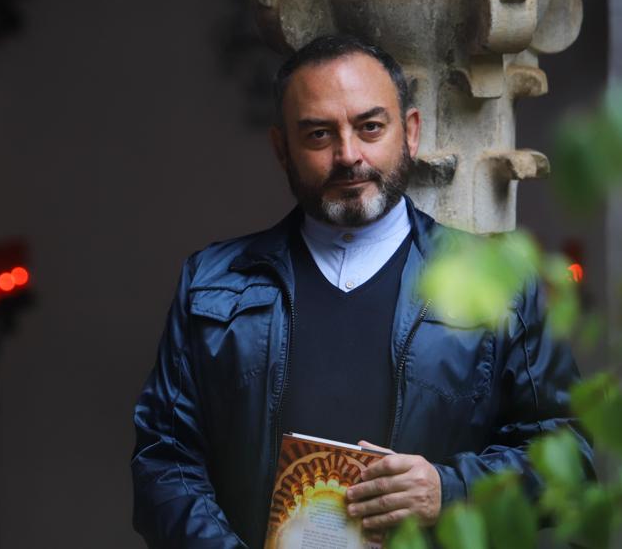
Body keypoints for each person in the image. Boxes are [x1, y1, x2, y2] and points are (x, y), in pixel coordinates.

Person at [130, 34, 591, 548]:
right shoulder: (213, 282)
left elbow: (572, 456)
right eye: (319, 134)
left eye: (370, 127)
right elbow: (163, 461)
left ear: (410, 132)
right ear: (282, 149)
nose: (348, 155)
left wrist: (450, 490)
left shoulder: (497, 281)